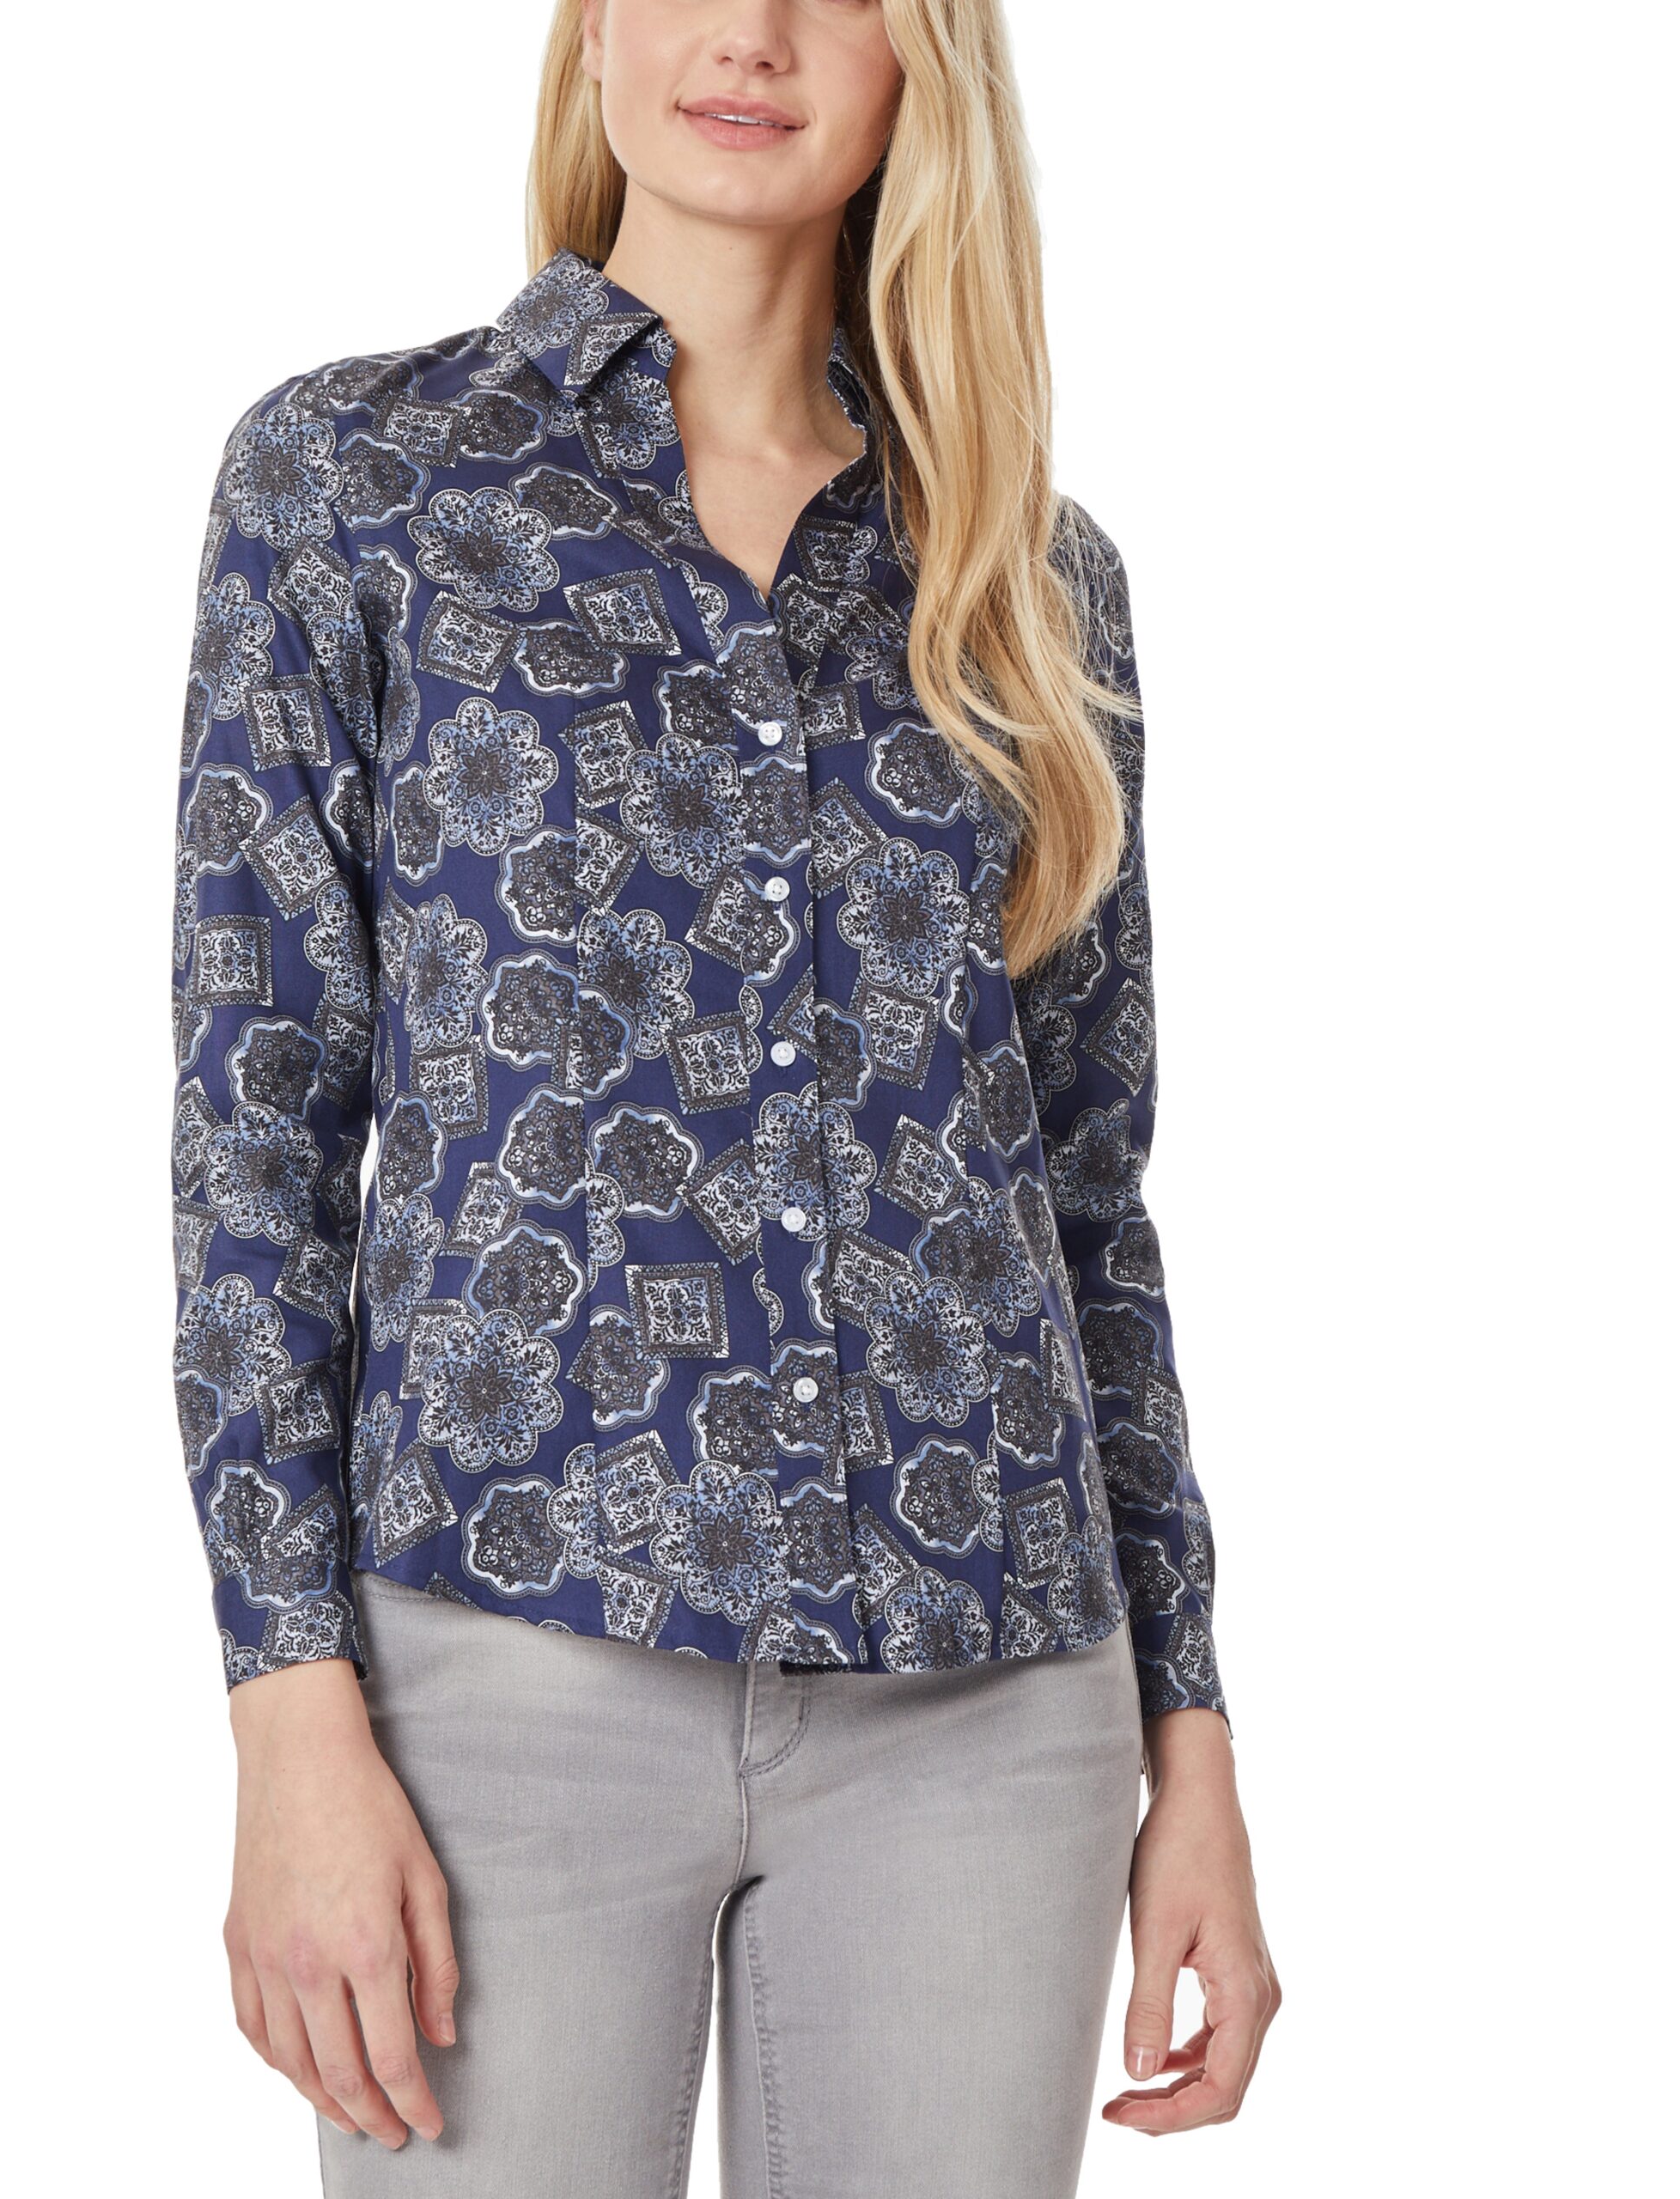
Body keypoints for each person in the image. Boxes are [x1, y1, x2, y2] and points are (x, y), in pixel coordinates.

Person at [168, 1, 1280, 2190]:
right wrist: (286, 1707)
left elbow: (1084, 1203)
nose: (754, 33)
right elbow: (253, 1131)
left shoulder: (1034, 582)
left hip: (988, 1704)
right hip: (499, 1673)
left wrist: (1196, 1742)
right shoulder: (357, 483)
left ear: (920, 64)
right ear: (592, 31)